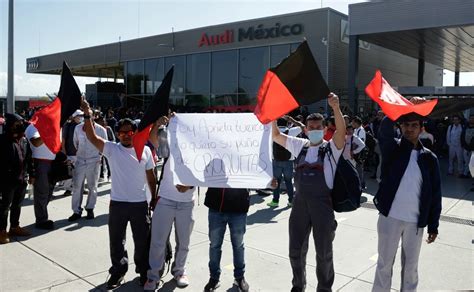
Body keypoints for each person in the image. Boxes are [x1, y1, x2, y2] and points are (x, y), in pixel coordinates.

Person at [272, 93, 346, 292]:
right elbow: (276, 136)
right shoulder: (300, 146)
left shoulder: (331, 149)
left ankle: (324, 288)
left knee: (324, 253)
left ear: (324, 129)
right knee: (295, 250)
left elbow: (341, 131)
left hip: (323, 207)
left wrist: (335, 107)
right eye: (311, 128)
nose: (314, 130)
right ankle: (298, 285)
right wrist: (271, 116)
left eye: (318, 128)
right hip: (299, 205)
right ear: (305, 129)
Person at [80, 100, 157, 289]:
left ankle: (143, 272)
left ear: (135, 132)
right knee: (116, 242)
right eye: (122, 132)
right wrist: (88, 114)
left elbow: (151, 177)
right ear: (118, 134)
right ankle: (118, 271)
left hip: (140, 204)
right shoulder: (112, 149)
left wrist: (154, 198)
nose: (125, 136)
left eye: (130, 132)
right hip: (118, 204)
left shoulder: (145, 150)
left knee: (142, 242)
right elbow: (91, 136)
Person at [372, 98, 442, 292]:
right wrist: (402, 107)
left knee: (411, 268)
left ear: (421, 128)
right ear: (400, 127)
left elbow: (436, 194)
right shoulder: (392, 149)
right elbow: (384, 130)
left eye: (414, 125)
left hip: (415, 222)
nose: (409, 129)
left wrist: (433, 224)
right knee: (384, 265)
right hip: (390, 217)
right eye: (405, 125)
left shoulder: (429, 158)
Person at [144, 118, 196, 291]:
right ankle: (153, 276)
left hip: (187, 202)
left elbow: (205, 172)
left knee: (184, 242)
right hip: (165, 199)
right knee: (158, 242)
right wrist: (157, 124)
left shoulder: (197, 148)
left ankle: (180, 271)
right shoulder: (168, 143)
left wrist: (190, 185)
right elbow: (152, 139)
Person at [203, 187, 251, 292]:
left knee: (238, 245)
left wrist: (269, 182)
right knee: (215, 245)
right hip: (216, 206)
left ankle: (239, 277)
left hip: (239, 206)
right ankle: (214, 278)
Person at [67, 112, 108, 221]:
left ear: (94, 116)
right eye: (84, 116)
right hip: (80, 160)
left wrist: (99, 157)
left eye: (89, 115)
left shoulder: (101, 130)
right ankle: (76, 211)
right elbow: (75, 143)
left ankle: (90, 209)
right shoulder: (78, 128)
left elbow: (105, 145)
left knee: (92, 187)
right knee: (76, 187)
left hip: (94, 161)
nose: (86, 118)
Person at [0, 114, 33, 244]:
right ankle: (2, 231)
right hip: (6, 180)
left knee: (17, 205)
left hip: (21, 179)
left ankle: (14, 227)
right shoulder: (2, 140)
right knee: (4, 207)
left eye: (20, 123)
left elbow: (29, 159)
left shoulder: (24, 140)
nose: (19, 126)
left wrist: (32, 174)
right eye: (16, 124)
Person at [25, 122, 56, 230]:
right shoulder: (32, 127)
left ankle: (42, 215)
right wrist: (48, 132)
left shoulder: (51, 125)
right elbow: (36, 142)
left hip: (52, 162)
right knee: (42, 192)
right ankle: (41, 220)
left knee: (49, 191)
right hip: (40, 162)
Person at [267, 117, 302, 208]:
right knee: (289, 182)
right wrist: (293, 120)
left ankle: (275, 201)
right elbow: (302, 126)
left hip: (276, 160)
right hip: (288, 161)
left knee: (276, 181)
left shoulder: (272, 132)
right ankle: (291, 201)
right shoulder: (292, 131)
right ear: (287, 123)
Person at [61, 110, 83, 196]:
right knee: (69, 173)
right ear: (74, 117)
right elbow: (63, 139)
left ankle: (80, 188)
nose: (81, 117)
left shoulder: (82, 126)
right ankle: (68, 189)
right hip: (70, 153)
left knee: (80, 173)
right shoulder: (68, 126)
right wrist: (64, 151)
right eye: (79, 116)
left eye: (82, 116)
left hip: (80, 154)